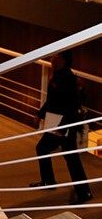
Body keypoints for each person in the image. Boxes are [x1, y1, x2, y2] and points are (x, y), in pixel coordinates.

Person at [30, 50, 92, 205]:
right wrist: (40, 114)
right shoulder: (58, 75)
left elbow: (72, 105)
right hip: (55, 121)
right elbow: (52, 100)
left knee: (67, 156)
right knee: (52, 151)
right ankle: (51, 181)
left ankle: (84, 192)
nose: (52, 58)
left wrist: (63, 128)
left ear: (63, 60)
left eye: (56, 56)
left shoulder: (68, 78)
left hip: (64, 123)